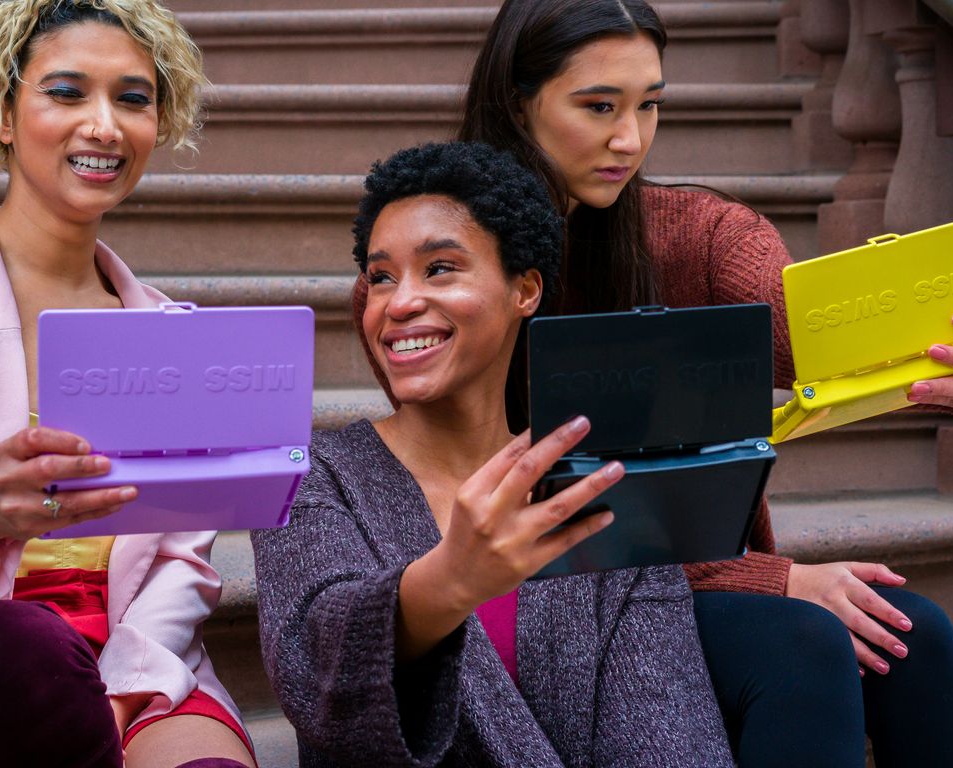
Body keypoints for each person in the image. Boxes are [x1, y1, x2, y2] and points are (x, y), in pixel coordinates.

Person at [347, 1, 953, 766]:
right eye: (599, 106)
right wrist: (772, 578)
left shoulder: (699, 233)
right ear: (517, 101)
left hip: (684, 577)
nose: (629, 139)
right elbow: (479, 494)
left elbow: (814, 331)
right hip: (534, 599)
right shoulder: (427, 278)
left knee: (910, 633)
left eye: (650, 106)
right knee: (801, 642)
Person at [0, 2, 256, 766]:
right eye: (66, 92)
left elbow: (182, 561)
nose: (104, 125)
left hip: (135, 655)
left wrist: (122, 693)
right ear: (1, 112)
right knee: (23, 654)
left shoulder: (173, 333)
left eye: (133, 98)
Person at [252, 141, 735, 767]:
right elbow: (314, 673)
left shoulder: (602, 490)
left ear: (525, 290)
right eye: (380, 277)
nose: (398, 303)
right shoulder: (312, 475)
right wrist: (450, 581)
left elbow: (671, 740)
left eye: (441, 268)